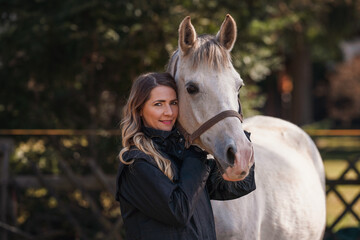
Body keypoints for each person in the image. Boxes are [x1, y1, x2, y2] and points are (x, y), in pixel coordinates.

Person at [115, 72, 255, 240]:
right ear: (139, 110)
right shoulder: (136, 164)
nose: (168, 112)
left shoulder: (182, 156)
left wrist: (239, 140)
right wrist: (195, 156)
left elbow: (240, 186)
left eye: (173, 103)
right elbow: (178, 211)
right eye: (158, 104)